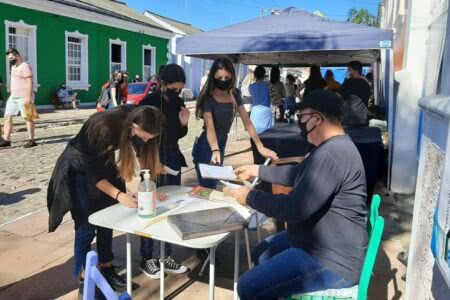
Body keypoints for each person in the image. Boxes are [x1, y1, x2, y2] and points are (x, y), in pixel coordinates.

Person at [230, 90, 368, 299]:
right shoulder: (331, 147)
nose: (299, 124)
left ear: (316, 119)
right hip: (319, 243)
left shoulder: (332, 154)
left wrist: (250, 197)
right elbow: (297, 173)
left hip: (333, 260)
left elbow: (295, 208)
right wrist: (257, 170)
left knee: (247, 287)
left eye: (301, 118)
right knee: (262, 252)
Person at [47, 105, 164, 295]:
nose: (147, 139)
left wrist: (150, 187)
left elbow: (143, 152)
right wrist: (120, 196)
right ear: (134, 125)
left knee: (107, 220)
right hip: (79, 167)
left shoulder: (139, 117)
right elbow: (93, 176)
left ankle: (107, 268)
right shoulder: (105, 127)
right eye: (146, 135)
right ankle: (85, 280)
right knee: (86, 225)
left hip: (104, 161)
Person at [138, 64, 190, 279]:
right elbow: (138, 135)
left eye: (179, 89)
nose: (176, 92)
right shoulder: (148, 102)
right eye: (173, 88)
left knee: (171, 204)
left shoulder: (178, 102)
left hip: (172, 155)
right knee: (150, 204)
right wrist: (149, 161)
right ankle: (146, 257)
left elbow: (177, 134)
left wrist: (183, 123)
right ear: (162, 83)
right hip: (151, 154)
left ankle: (166, 254)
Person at [193, 58, 278, 189]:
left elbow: (247, 122)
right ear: (213, 77)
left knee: (211, 187)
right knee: (207, 189)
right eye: (219, 77)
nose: (223, 80)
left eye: (226, 77)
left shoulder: (234, 94)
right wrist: (215, 149)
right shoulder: (208, 98)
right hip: (207, 145)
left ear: (232, 77)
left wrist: (260, 147)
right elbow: (209, 125)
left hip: (220, 143)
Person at [0, 48, 37, 148]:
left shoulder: (25, 66)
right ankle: (6, 140)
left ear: (17, 56)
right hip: (13, 97)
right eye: (9, 58)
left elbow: (30, 82)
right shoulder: (13, 67)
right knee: (7, 117)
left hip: (25, 96)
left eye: (11, 58)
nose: (10, 60)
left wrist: (28, 97)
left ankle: (31, 140)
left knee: (28, 118)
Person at [249, 66, 273, 134]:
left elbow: (252, 95)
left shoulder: (251, 86)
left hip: (255, 112)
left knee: (255, 135)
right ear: (264, 75)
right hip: (265, 111)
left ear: (255, 75)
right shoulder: (269, 85)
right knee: (267, 136)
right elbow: (274, 98)